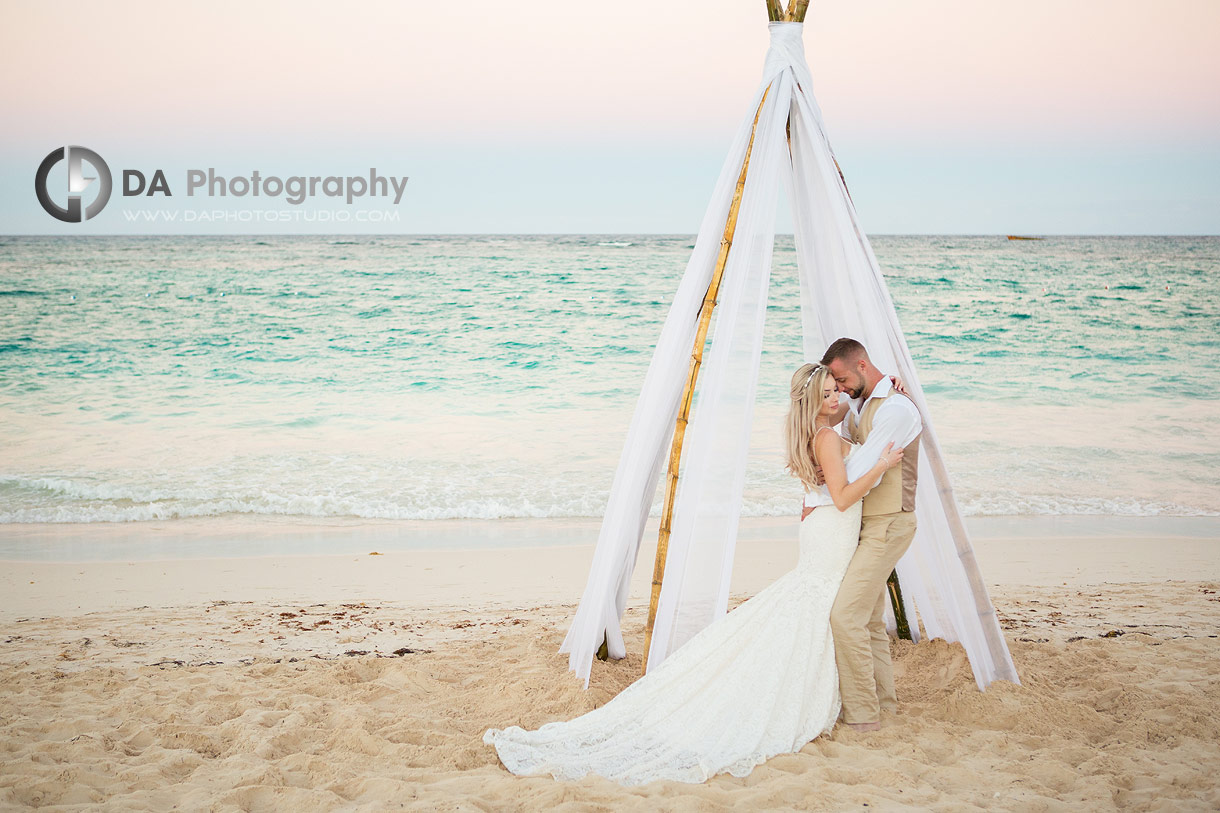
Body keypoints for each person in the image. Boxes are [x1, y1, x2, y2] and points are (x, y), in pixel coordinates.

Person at [482, 362, 903, 786]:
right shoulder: (827, 436)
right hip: (833, 528)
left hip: (822, 529)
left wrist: (883, 390)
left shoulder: (814, 432)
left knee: (809, 605)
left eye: (837, 390)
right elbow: (845, 497)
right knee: (816, 604)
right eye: (828, 393)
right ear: (813, 401)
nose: (836, 398)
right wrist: (881, 465)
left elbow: (841, 458)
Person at [819, 337, 923, 732]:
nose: (841, 389)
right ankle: (885, 706)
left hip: (890, 522)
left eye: (843, 379)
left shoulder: (896, 409)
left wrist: (828, 472)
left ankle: (863, 716)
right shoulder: (860, 406)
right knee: (867, 621)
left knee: (844, 617)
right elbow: (832, 430)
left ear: (862, 365)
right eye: (835, 384)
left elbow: (860, 462)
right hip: (867, 524)